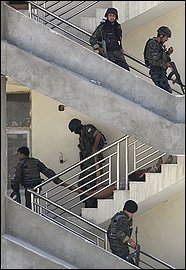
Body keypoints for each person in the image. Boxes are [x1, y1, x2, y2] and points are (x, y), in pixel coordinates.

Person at [68, 118, 106, 208]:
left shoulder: (87, 129)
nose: (74, 132)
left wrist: (95, 148)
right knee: (81, 183)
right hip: (87, 164)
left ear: (77, 126)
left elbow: (98, 134)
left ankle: (92, 204)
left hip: (94, 162)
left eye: (74, 130)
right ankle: (87, 202)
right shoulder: (81, 136)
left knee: (90, 184)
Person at [107, 200, 138, 265]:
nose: (133, 215)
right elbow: (119, 233)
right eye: (132, 213)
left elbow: (110, 231)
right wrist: (130, 241)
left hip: (115, 248)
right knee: (132, 265)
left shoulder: (117, 216)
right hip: (121, 250)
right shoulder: (123, 219)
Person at [144, 26, 174, 93]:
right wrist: (166, 64)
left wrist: (168, 53)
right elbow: (153, 60)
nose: (167, 39)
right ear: (161, 35)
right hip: (156, 73)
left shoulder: (160, 45)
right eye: (166, 37)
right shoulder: (153, 44)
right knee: (166, 92)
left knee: (167, 92)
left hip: (161, 73)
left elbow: (161, 57)